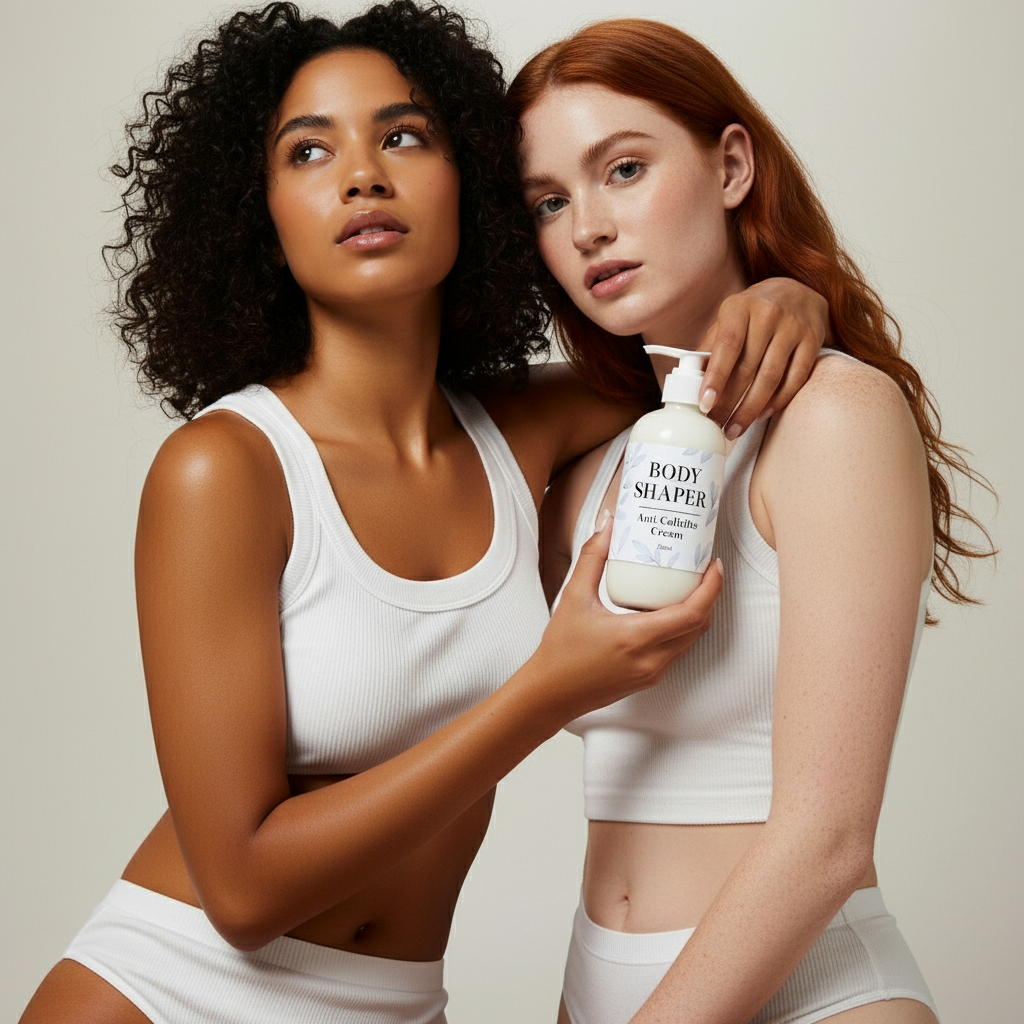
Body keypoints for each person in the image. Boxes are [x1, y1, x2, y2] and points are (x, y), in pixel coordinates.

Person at [17, 4, 830, 1023]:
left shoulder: (523, 427)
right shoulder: (225, 468)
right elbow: (241, 890)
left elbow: (693, 371)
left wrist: (791, 297)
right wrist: (545, 690)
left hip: (398, 1001)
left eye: (403, 136)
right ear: (257, 214)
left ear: (474, 191)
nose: (363, 173)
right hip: (172, 991)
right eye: (308, 151)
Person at [509, 18, 995, 1024]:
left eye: (625, 169)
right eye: (550, 202)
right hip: (596, 986)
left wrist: (797, 302)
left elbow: (827, 840)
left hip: (812, 996)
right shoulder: (591, 459)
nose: (587, 226)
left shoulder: (833, 417)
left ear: (731, 165)